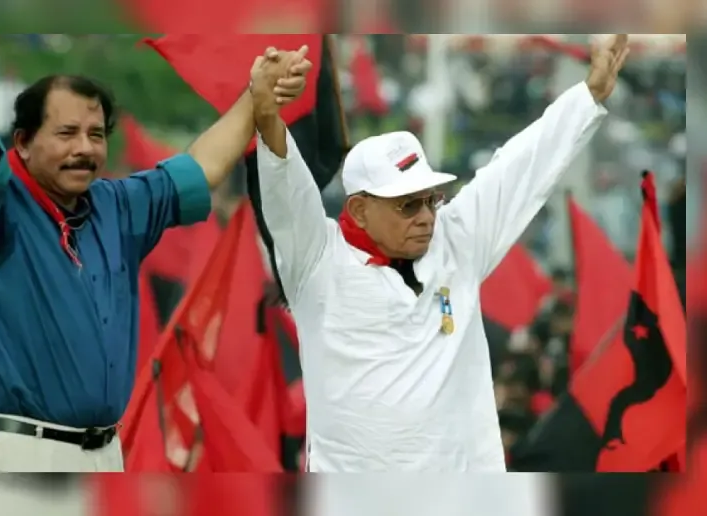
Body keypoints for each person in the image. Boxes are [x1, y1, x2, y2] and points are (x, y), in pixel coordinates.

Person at [254, 34, 630, 472]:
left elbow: (521, 166)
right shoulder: (317, 261)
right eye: (407, 205)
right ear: (359, 209)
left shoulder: (456, 241)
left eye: (430, 200)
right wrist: (267, 114)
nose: (426, 217)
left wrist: (588, 96)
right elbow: (285, 189)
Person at [0, 34, 312, 472]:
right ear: (22, 142)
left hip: (106, 454)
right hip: (17, 452)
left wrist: (257, 95)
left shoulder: (115, 205)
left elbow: (202, 167)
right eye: (66, 133)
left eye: (96, 134)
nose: (84, 148)